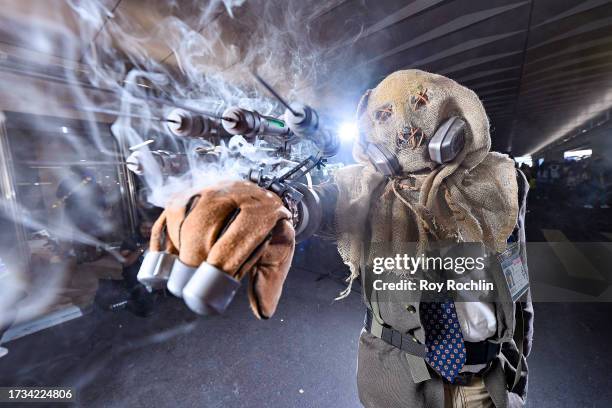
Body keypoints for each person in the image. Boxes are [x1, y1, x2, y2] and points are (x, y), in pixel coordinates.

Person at [141, 70, 533, 407]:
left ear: (452, 128)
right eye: (386, 118)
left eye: (417, 116)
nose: (404, 134)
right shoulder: (367, 187)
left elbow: (518, 288)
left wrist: (516, 372)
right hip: (399, 385)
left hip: (484, 382)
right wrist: (279, 205)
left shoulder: (499, 185)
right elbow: (316, 204)